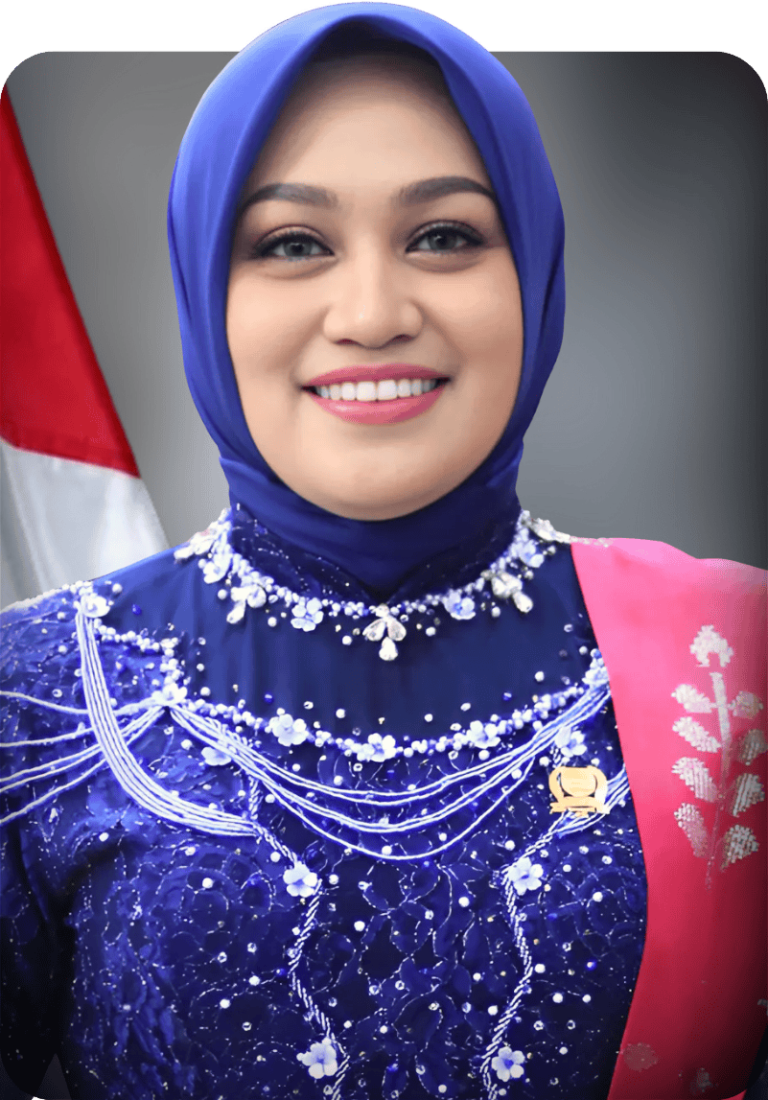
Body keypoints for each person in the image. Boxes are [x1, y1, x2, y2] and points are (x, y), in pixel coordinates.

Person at [1, 10, 765, 1100]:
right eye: (292, 244)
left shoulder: (734, 664)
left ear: (536, 272)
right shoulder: (35, 690)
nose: (371, 314)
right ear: (204, 289)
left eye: (444, 236)